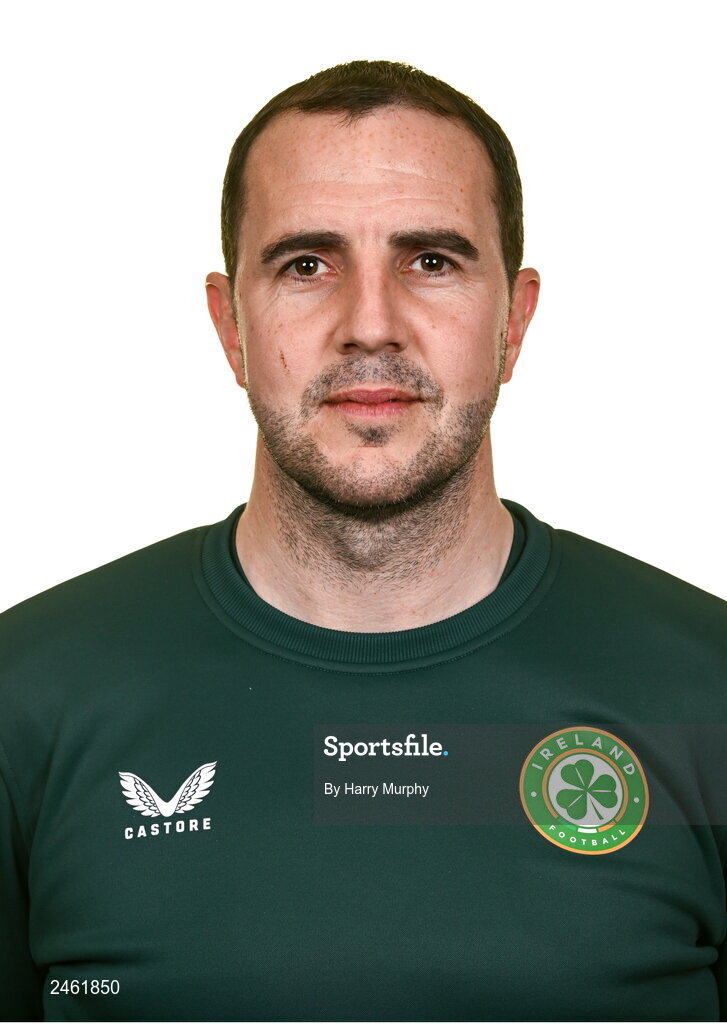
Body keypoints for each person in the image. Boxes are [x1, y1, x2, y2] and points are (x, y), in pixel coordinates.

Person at [1, 59, 725, 1023]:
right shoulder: (28, 697)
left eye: (431, 260)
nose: (370, 324)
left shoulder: (706, 689)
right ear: (230, 327)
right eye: (306, 264)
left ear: (514, 319)